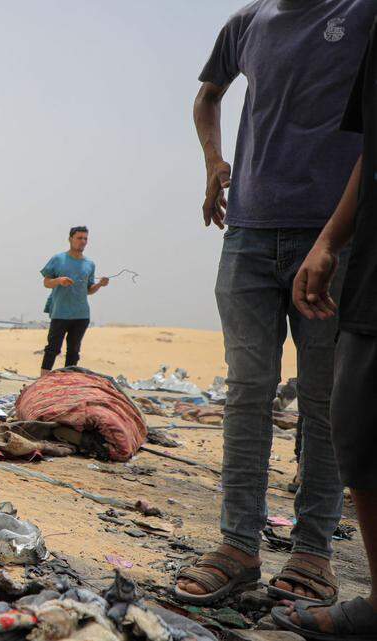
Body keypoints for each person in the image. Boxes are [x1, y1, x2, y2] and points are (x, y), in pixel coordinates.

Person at [175, 0, 377, 606]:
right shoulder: (247, 23)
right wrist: (213, 161)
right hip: (248, 234)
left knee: (323, 400)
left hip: (332, 238)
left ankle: (313, 551)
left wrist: (333, 240)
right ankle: (237, 545)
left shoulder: (361, 11)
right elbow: (208, 96)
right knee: (247, 391)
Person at [273, 16, 377, 637]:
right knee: (353, 419)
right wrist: (331, 239)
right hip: (368, 260)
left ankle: (316, 552)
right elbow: (372, 151)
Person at [38, 226, 108, 377]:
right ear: (70, 239)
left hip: (81, 314)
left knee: (74, 351)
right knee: (52, 349)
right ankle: (42, 381)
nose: (83, 241)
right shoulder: (58, 259)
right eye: (79, 238)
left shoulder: (90, 264)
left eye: (85, 238)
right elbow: (46, 282)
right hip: (60, 312)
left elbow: (88, 290)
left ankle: (68, 382)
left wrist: (99, 285)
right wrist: (59, 280)